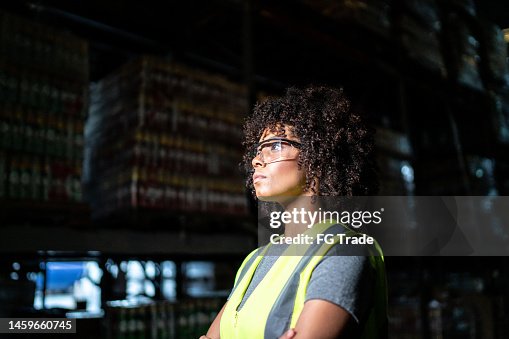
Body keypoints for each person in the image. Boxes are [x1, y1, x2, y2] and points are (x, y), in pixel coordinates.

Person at [200, 85, 388, 339]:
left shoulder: (345, 249)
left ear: (317, 158)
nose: (257, 160)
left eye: (275, 146)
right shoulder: (253, 261)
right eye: (258, 150)